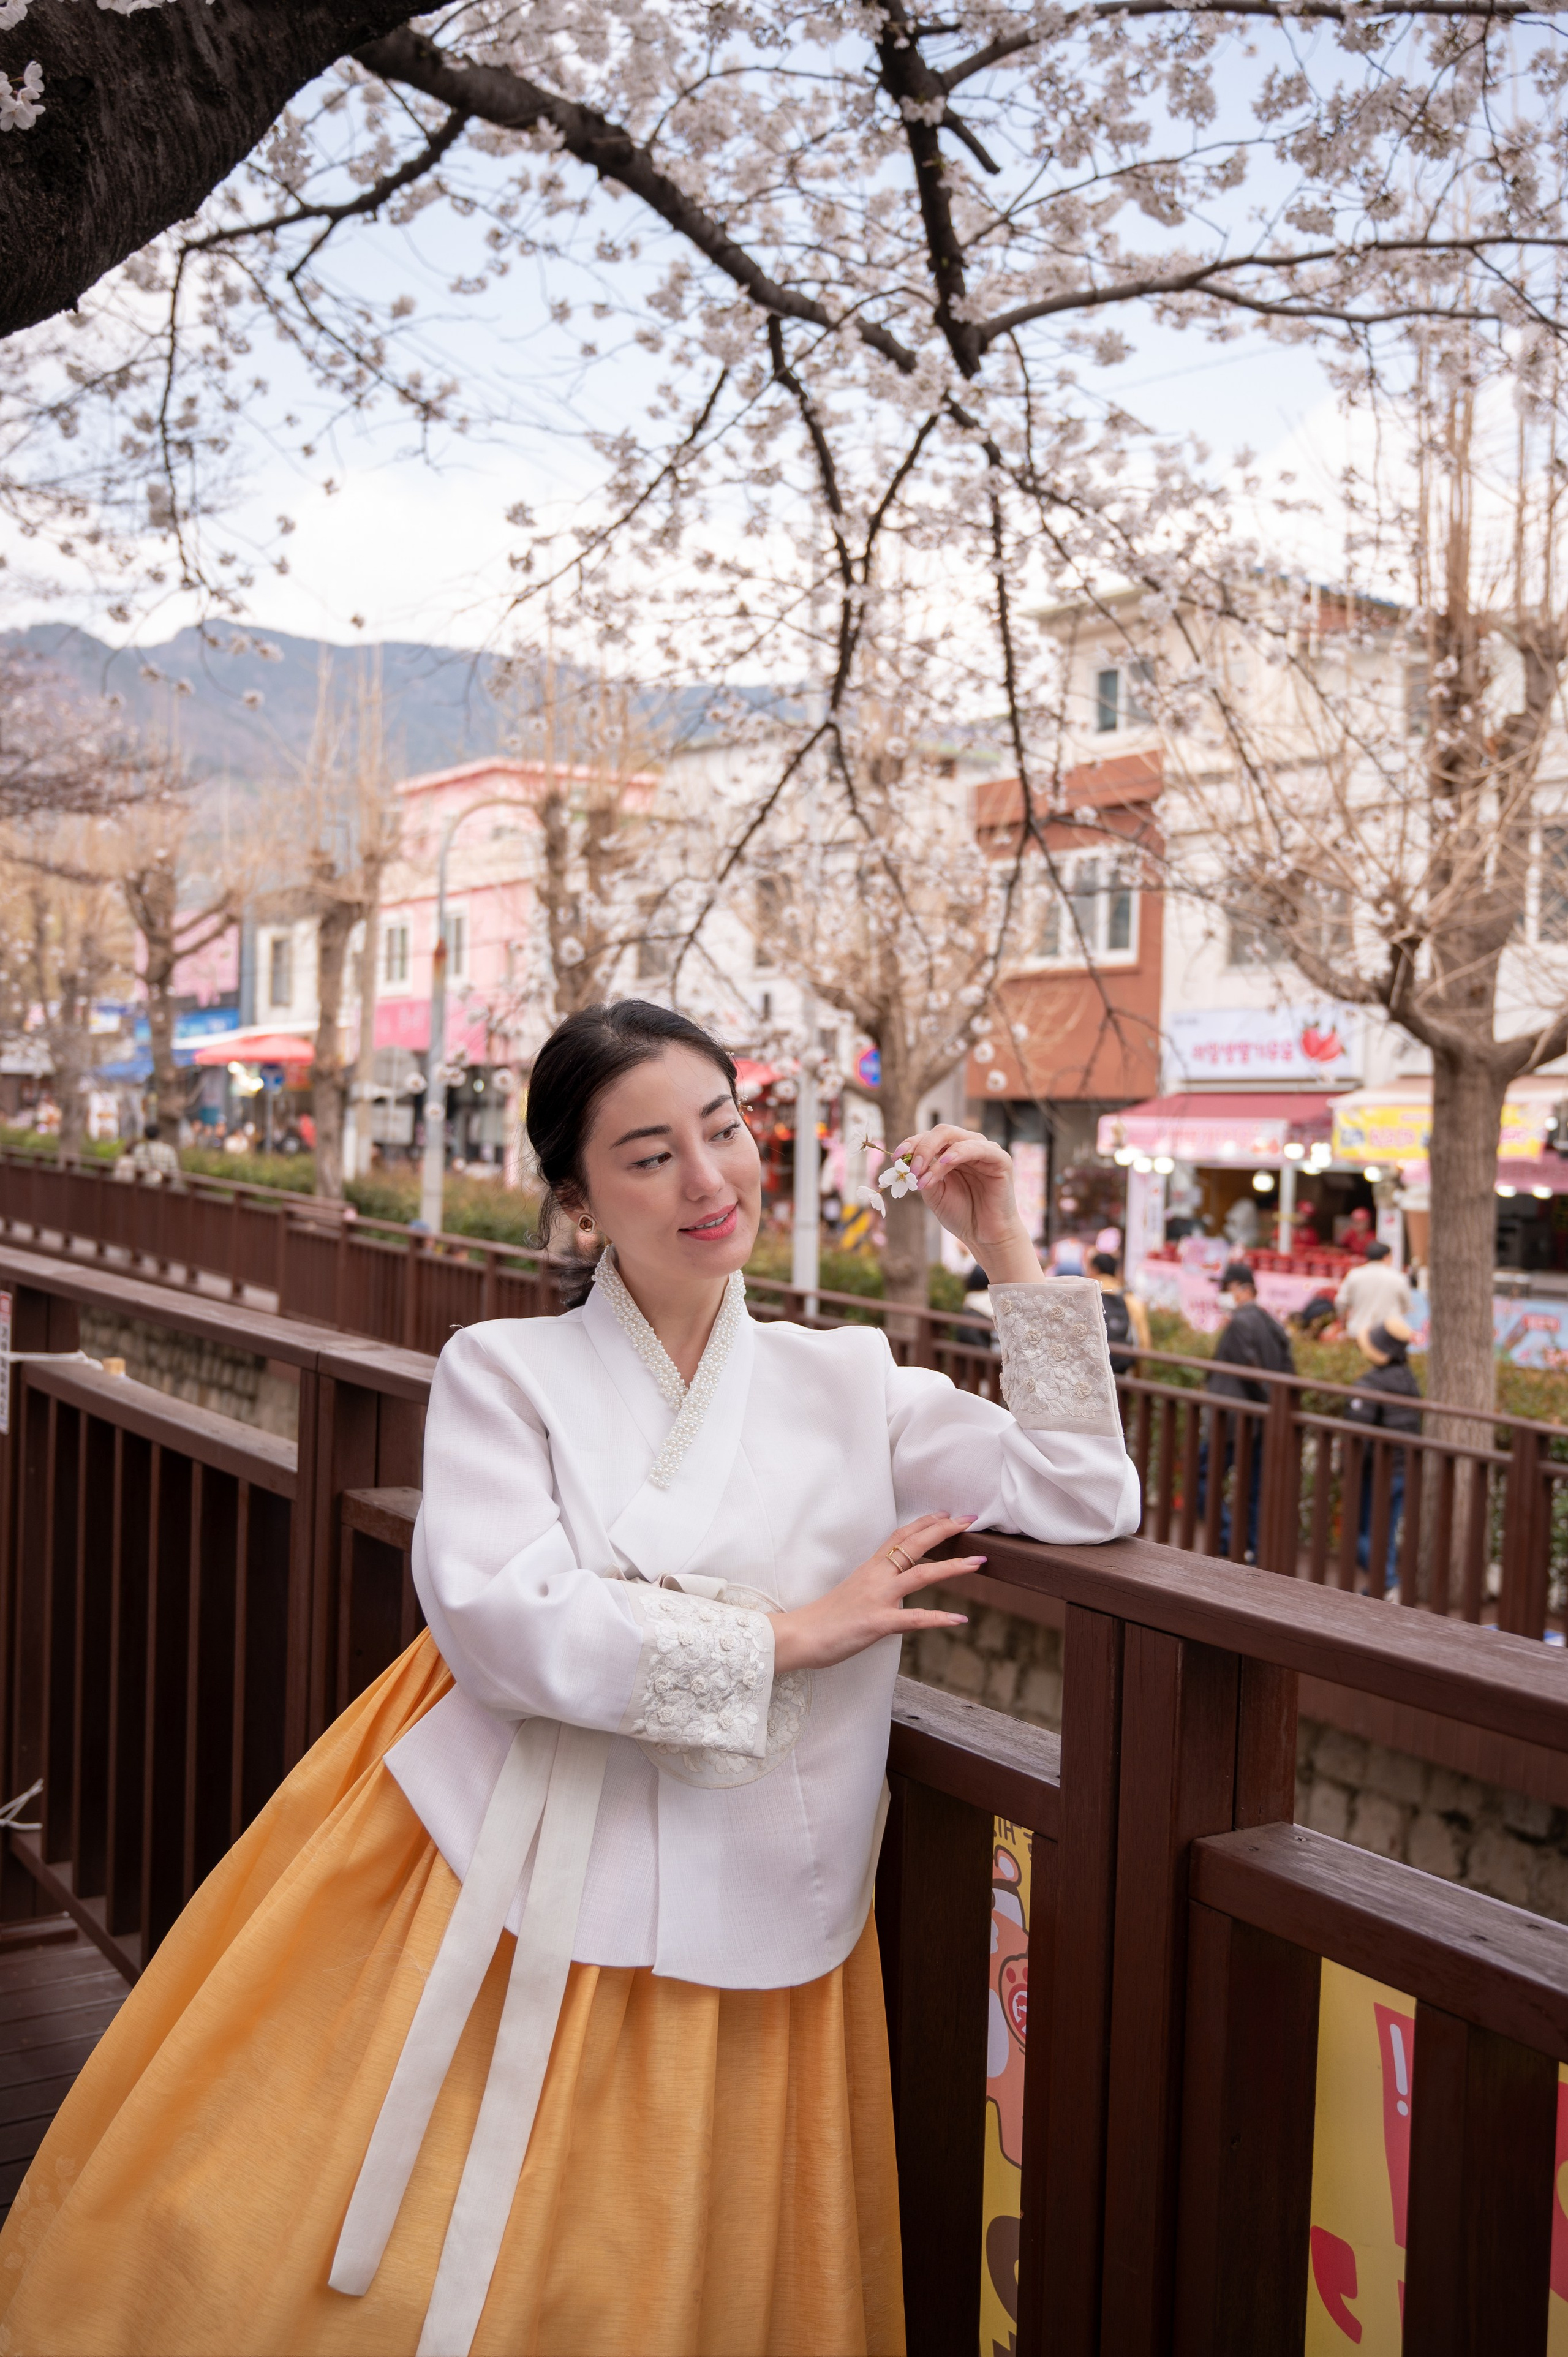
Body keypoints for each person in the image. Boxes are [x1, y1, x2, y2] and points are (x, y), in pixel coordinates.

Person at [0, 998, 1139, 2357]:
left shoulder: (855, 1381)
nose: (708, 1178)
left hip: (753, 1903)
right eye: (649, 1154)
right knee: (359, 2262)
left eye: (722, 1130)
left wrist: (1001, 1239)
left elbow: (1082, 1488)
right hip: (501, 1875)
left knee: (663, 2288)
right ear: (579, 1203)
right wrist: (788, 1635)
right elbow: (499, 1621)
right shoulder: (505, 1369)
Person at [1200, 1261, 1295, 1559]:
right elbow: (1286, 1370)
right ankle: (1251, 1546)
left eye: (1227, 1289)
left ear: (1244, 1290)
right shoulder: (1272, 1323)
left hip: (1232, 1419)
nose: (1224, 1295)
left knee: (1205, 1476)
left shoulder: (1241, 1323)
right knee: (1253, 1485)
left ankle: (1228, 1539)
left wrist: (1266, 1400)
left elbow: (1250, 1371)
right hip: (1260, 1421)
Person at [1345, 1314, 1422, 1593]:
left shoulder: (1370, 1384)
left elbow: (1358, 1434)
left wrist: (1348, 1468)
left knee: (1358, 1533)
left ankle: (1388, 1581)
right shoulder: (1409, 1381)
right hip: (1404, 1469)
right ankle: (1383, 1584)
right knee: (1385, 1533)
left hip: (1376, 1471)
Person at [1333, 1239, 1412, 1340]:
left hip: (1359, 1332)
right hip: (1388, 1334)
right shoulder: (1399, 1278)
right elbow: (1406, 1307)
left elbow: (1341, 1302)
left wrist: (1344, 1322)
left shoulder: (1354, 1275)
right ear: (1387, 1257)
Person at [1091, 1249, 1152, 1373]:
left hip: (1092, 1371)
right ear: (1116, 1272)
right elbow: (1144, 1341)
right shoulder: (1131, 1301)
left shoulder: (1087, 1297)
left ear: (1095, 1269)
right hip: (1121, 1368)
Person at [126, 1118, 180, 1183]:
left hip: (143, 1188)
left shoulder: (139, 1149)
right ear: (159, 1135)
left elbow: (134, 1171)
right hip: (163, 1189)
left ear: (145, 1135)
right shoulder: (169, 1150)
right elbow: (175, 1173)